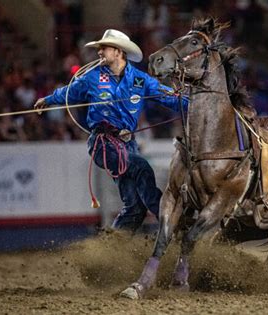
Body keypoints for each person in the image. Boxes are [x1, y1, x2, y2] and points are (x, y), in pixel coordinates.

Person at [33, 29, 187, 232]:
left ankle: (112, 244)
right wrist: (48, 100)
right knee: (142, 167)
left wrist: (197, 104)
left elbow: (171, 99)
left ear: (118, 51)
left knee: (134, 206)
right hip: (102, 143)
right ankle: (172, 223)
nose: (99, 52)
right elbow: (69, 93)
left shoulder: (141, 80)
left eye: (103, 48)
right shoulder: (92, 77)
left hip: (128, 144)